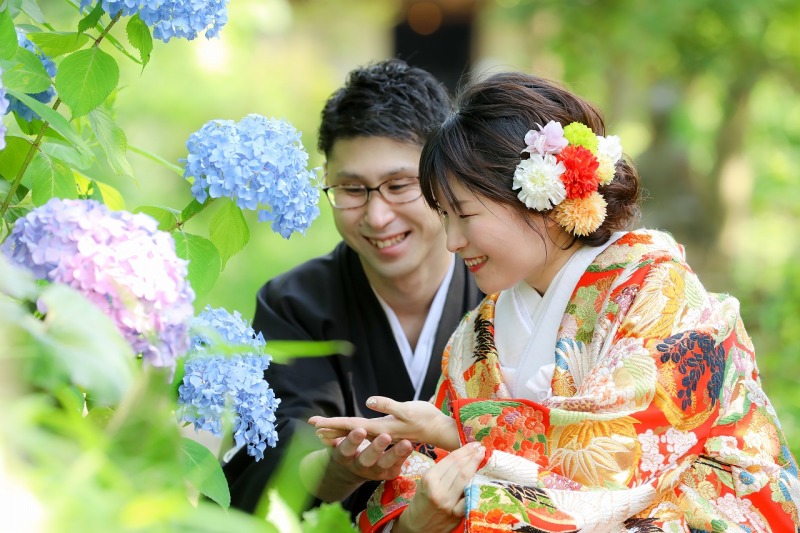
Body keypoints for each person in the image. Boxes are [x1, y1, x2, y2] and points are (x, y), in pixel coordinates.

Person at [310, 72, 800, 532]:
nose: (452, 241)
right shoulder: (479, 333)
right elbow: (427, 470)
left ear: (536, 199)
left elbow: (619, 458)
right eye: (444, 216)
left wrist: (459, 437)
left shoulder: (659, 291)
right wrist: (417, 513)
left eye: (464, 214)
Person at [222, 58, 483, 517]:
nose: (376, 216)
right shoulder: (295, 303)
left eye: (399, 185)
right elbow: (269, 454)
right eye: (352, 189)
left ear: (444, 176)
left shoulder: (501, 291)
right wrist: (341, 468)